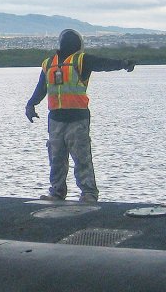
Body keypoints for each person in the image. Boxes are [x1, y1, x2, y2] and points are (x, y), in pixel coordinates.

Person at [25, 29, 136, 202]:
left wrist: (122, 63)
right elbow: (42, 87)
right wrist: (31, 104)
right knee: (56, 158)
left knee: (81, 157)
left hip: (77, 118)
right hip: (56, 119)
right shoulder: (49, 64)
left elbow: (104, 64)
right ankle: (57, 192)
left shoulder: (81, 60)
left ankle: (89, 193)